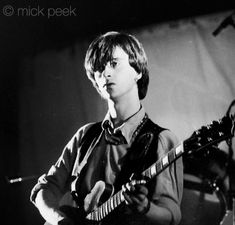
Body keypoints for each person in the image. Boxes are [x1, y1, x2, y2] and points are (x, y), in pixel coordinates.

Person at [30, 31, 183, 225]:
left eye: (114, 63)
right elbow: (45, 188)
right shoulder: (86, 135)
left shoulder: (162, 139)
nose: (106, 73)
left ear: (138, 71)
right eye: (99, 68)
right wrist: (60, 220)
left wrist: (146, 208)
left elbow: (172, 216)